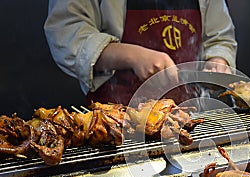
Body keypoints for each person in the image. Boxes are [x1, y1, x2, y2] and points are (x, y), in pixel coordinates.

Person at [44, 0, 237, 106]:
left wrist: (217, 60)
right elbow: (66, 31)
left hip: (191, 115)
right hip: (119, 117)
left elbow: (219, 36)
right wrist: (130, 55)